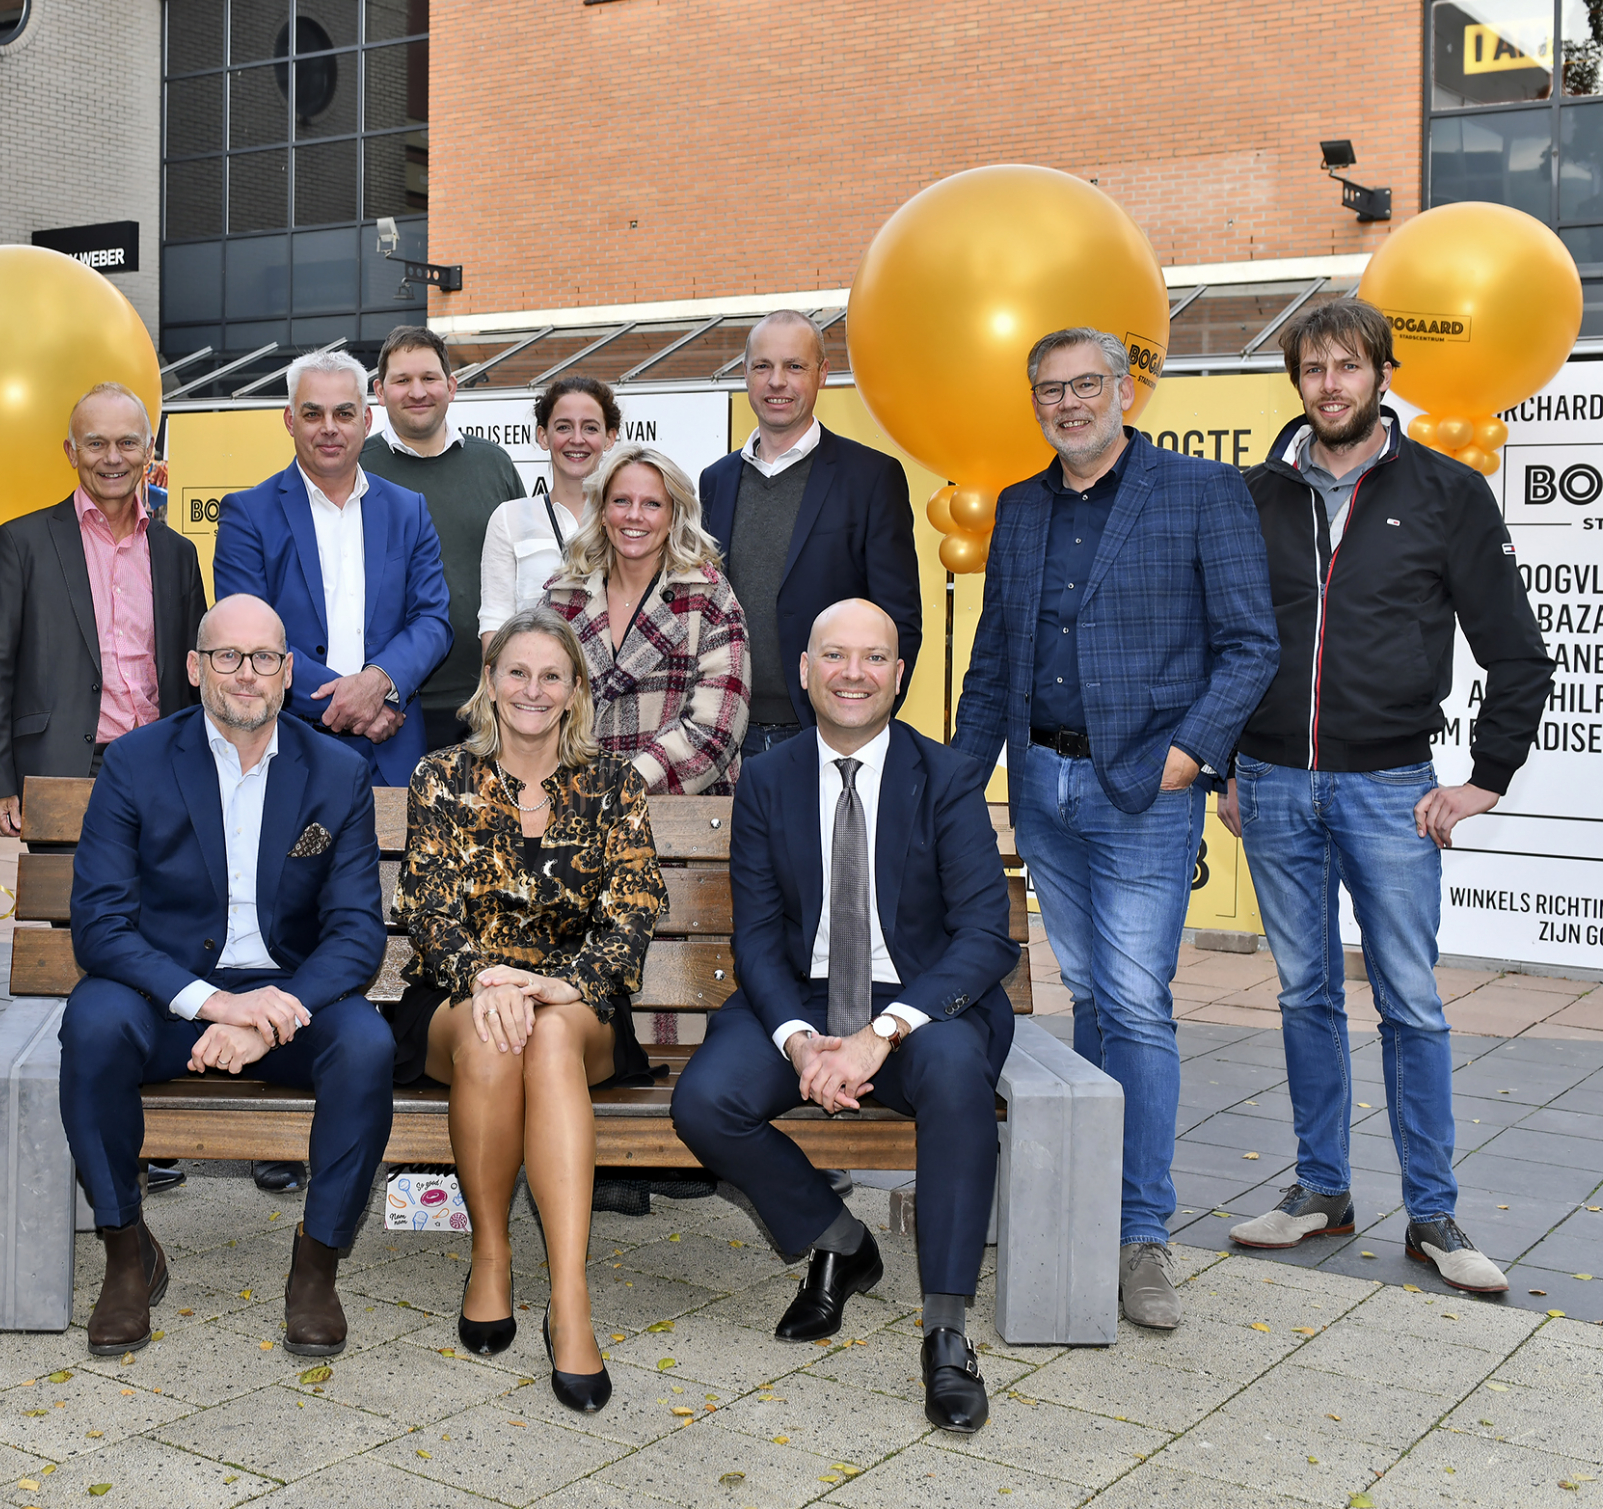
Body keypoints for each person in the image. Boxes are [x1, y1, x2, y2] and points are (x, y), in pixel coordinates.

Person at [949, 326, 1278, 1332]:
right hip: (1042, 782)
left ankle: (1140, 1232)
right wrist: (959, 781)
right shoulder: (1017, 506)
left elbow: (1249, 644)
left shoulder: (1198, 493)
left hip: (1143, 788)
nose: (1068, 403)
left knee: (1134, 1003)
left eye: (1086, 384)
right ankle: (1088, 1208)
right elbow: (994, 657)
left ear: (1126, 390)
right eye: (1049, 389)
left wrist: (1191, 756)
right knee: (1088, 993)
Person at [1222, 299, 1554, 1294]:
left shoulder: (1446, 493)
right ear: (1297, 382)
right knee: (1302, 993)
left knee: (1410, 1001)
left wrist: (1484, 777)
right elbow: (1225, 642)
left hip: (1389, 789)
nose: (1329, 384)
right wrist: (1228, 762)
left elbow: (1517, 653)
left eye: (1347, 366)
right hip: (1275, 787)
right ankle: (1320, 1189)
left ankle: (1435, 1214)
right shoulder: (1253, 496)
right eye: (1313, 369)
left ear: (1380, 374)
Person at [671, 599, 1014, 1433]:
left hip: (921, 1008)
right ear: (804, 669)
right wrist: (797, 1039)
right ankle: (839, 1240)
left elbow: (983, 935)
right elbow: (753, 933)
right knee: (705, 1101)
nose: (853, 672)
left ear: (899, 673)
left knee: (957, 1075)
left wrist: (879, 1033)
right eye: (835, 655)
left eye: (873, 657)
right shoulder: (771, 777)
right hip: (803, 999)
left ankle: (946, 1333)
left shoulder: (947, 776)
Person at [57, 594, 395, 1358]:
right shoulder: (136, 762)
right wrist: (213, 1005)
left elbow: (355, 934)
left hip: (287, 999)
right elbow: (101, 922)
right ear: (194, 667)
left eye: (264, 658)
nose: (247, 674)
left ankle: (316, 1267)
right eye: (227, 657)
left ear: (287, 672)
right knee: (92, 1022)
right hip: (166, 995)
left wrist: (263, 1014)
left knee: (367, 1045)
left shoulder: (337, 771)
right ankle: (125, 1253)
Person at [391, 608, 665, 1413]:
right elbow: (429, 910)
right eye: (518, 671)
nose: (533, 689)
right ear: (490, 681)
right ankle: (491, 1254)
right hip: (458, 991)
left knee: (542, 1037)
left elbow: (634, 909)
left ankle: (570, 1299)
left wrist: (561, 981)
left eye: (552, 674)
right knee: (491, 1036)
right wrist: (488, 976)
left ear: (576, 690)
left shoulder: (615, 784)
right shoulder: (440, 776)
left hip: (577, 1004)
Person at [0, 381, 207, 837]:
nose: (112, 458)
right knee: (74, 905)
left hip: (168, 764)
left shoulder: (178, 553)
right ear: (71, 451)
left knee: (167, 906)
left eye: (127, 443)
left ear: (149, 449)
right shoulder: (21, 544)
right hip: (62, 768)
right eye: (96, 444)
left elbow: (196, 668)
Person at [212, 349, 452, 789]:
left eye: (343, 413)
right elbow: (244, 637)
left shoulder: (408, 511)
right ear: (289, 421)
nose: (329, 428)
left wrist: (379, 684)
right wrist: (352, 704)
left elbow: (433, 621)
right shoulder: (247, 515)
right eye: (312, 413)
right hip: (284, 749)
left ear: (366, 420)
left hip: (391, 749)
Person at [700, 311, 922, 760]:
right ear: (745, 375)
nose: (776, 381)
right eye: (763, 366)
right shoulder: (715, 480)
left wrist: (861, 722)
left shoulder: (872, 477)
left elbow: (899, 620)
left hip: (825, 734)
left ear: (822, 374)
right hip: (723, 734)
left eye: (794, 366)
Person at [358, 325, 526, 751]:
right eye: (402, 380)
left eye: (429, 378)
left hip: (488, 701)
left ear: (451, 386)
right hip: (387, 708)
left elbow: (526, 574)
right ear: (380, 391)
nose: (417, 391)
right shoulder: (354, 469)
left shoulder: (494, 465)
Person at [546, 443, 748, 796]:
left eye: (652, 504)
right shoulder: (562, 597)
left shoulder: (709, 597)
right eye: (621, 501)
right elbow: (535, 706)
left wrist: (619, 788)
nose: (634, 515)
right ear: (603, 512)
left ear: (673, 516)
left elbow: (716, 731)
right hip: (571, 808)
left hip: (680, 823)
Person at [479, 375, 619, 644]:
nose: (577, 439)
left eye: (590, 428)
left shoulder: (628, 520)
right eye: (564, 427)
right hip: (535, 682)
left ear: (610, 438)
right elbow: (494, 623)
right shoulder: (509, 519)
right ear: (543, 436)